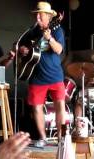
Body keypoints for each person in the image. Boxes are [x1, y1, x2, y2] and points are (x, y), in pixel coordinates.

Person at [13, 1, 66, 147]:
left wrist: (49, 38)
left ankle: (62, 138)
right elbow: (17, 45)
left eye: (40, 15)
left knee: (60, 105)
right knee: (36, 107)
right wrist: (22, 49)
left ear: (49, 16)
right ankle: (43, 138)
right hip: (36, 76)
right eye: (36, 15)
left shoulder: (57, 30)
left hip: (55, 75)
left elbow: (59, 49)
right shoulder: (31, 32)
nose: (37, 18)